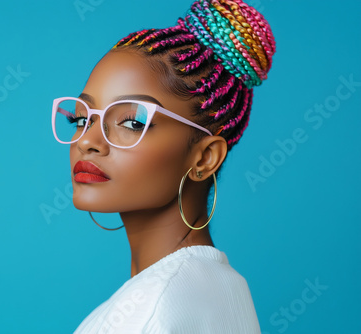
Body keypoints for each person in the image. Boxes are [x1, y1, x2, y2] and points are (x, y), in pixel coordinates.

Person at [51, 0, 276, 332]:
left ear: (204, 157)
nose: (88, 141)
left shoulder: (149, 313)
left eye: (131, 122)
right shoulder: (224, 286)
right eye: (81, 118)